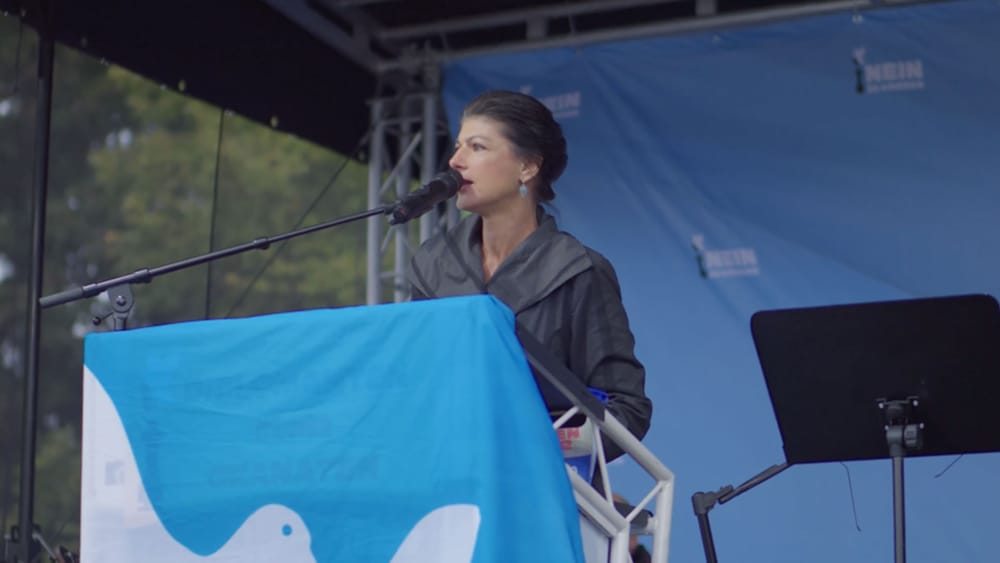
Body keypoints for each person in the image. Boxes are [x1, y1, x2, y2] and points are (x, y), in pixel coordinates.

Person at [407, 90, 651, 458]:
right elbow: (414, 385)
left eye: (476, 147)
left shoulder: (578, 270)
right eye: (457, 147)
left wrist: (539, 449)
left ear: (528, 167)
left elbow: (626, 409)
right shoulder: (433, 264)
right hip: (444, 479)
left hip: (538, 484)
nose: (455, 161)